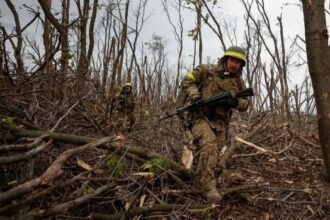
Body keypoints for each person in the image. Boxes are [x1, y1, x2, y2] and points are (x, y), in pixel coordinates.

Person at [177, 46, 249, 203]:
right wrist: (196, 96)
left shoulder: (239, 83)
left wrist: (234, 102)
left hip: (221, 123)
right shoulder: (207, 70)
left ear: (241, 65)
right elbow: (187, 81)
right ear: (225, 59)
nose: (233, 64)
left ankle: (197, 182)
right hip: (199, 117)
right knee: (209, 145)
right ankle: (209, 189)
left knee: (213, 156)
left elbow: (245, 104)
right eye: (231, 60)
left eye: (238, 62)